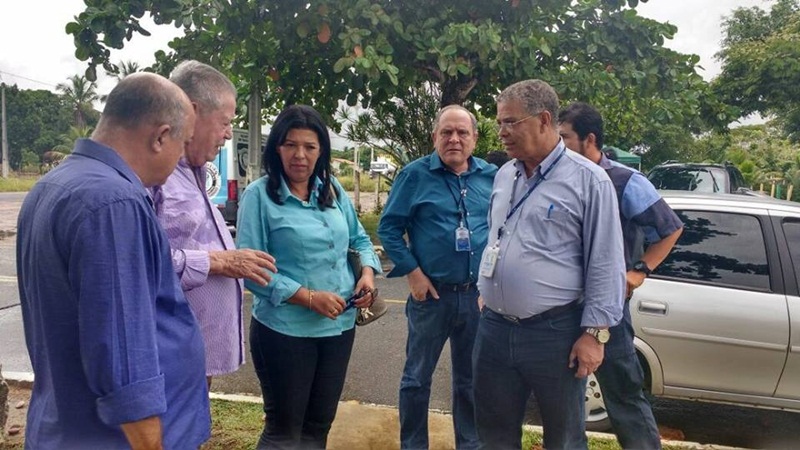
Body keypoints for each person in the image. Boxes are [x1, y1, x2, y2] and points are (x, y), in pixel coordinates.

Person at [16, 73, 210, 449]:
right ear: (159, 137)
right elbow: (124, 361)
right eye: (182, 145)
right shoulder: (114, 203)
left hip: (67, 425)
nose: (181, 159)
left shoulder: (54, 185)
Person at [473, 80, 626, 450]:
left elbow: (606, 263)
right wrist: (486, 291)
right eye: (499, 123)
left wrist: (595, 334)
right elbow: (498, 236)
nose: (502, 133)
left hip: (554, 334)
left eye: (510, 122)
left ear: (543, 120)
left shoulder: (589, 180)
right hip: (494, 329)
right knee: (493, 434)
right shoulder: (505, 174)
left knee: (564, 438)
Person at [237, 104, 381, 449]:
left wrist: (366, 274)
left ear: (321, 152)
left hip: (338, 330)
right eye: (290, 145)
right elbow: (250, 272)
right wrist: (309, 298)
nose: (299, 155)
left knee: (317, 428)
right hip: (285, 333)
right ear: (276, 148)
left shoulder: (331, 190)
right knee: (284, 432)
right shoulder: (259, 196)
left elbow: (359, 238)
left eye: (310, 147)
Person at [559, 102, 683, 450]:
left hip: (608, 310)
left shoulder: (625, 181)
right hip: (562, 307)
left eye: (565, 137)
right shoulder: (562, 177)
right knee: (568, 400)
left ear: (590, 139)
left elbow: (670, 229)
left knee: (624, 393)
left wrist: (639, 271)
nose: (558, 145)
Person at [378, 105, 497, 449]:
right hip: (431, 296)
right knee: (417, 378)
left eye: (462, 133)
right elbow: (389, 227)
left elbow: (504, 229)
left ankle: (469, 443)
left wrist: (492, 283)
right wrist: (413, 273)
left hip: (477, 297)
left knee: (471, 380)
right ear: (435, 137)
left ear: (475, 138)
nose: (454, 139)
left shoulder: (492, 176)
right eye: (447, 132)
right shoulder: (414, 176)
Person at [155, 60, 277, 387]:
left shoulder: (192, 171)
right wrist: (219, 262)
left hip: (195, 354)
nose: (227, 134)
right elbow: (142, 263)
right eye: (225, 122)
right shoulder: (155, 175)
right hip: (170, 355)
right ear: (191, 112)